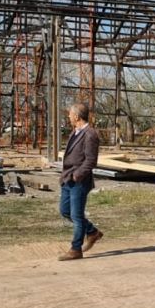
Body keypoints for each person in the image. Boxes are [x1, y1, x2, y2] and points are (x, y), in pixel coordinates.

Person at [58, 102, 103, 261]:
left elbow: (91, 161)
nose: (69, 116)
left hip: (79, 180)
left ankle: (76, 249)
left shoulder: (90, 134)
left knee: (76, 215)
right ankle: (92, 232)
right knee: (65, 211)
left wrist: (78, 174)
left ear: (76, 116)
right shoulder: (75, 132)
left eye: (70, 114)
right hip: (67, 178)